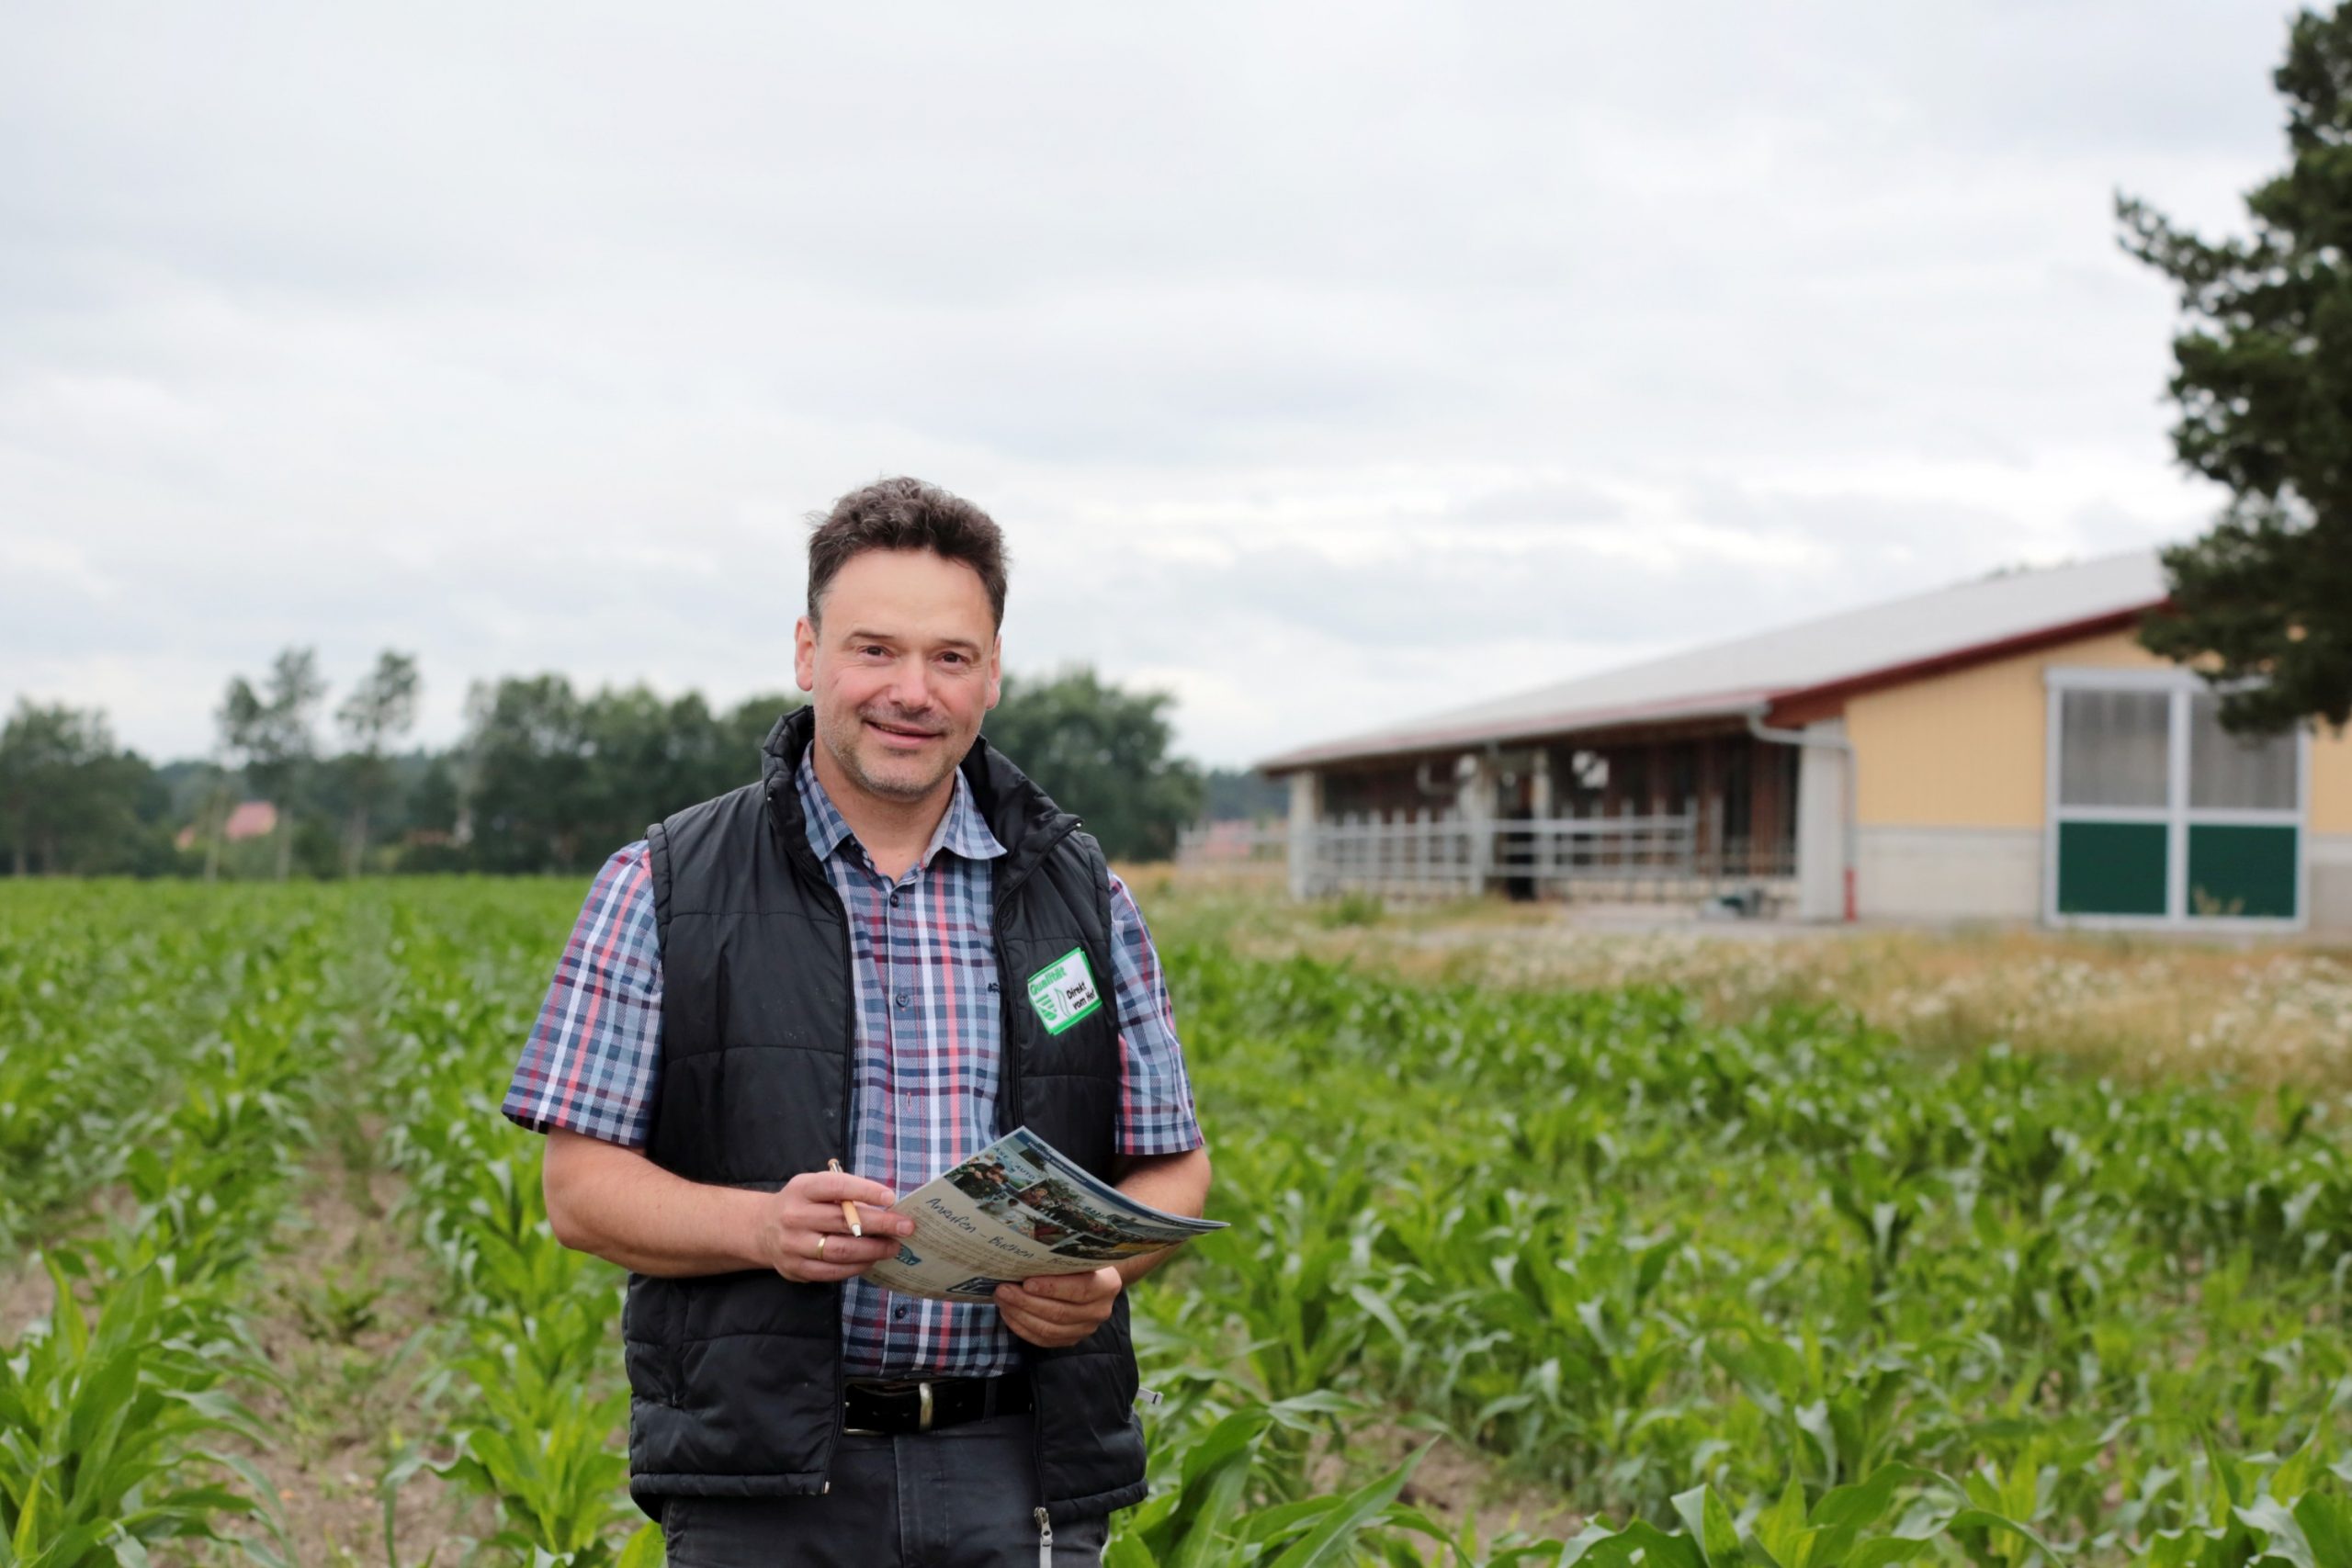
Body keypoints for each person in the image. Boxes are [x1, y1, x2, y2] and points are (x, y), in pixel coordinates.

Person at [499, 478, 1213, 1567]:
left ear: (993, 674)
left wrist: (1099, 1278)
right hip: (768, 1476)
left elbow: (1175, 1169)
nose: (911, 692)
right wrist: (760, 1230)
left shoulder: (1079, 890)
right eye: (874, 650)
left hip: (1019, 1469)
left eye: (950, 657)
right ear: (807, 652)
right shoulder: (664, 882)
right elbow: (580, 1191)